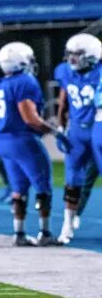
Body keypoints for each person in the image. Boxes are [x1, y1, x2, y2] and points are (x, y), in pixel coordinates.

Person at [0, 42, 69, 246]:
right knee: (43, 186)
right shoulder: (25, 81)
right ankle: (44, 232)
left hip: (2, 142)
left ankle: (19, 233)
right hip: (22, 140)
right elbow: (30, 118)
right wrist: (55, 132)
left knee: (18, 189)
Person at [53, 34, 102, 244]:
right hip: (78, 133)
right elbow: (63, 98)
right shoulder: (65, 71)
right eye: (71, 54)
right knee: (72, 181)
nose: (72, 59)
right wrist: (61, 125)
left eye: (78, 54)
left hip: (98, 129)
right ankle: (67, 226)